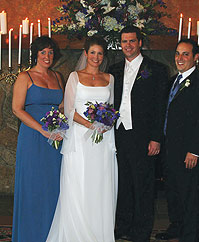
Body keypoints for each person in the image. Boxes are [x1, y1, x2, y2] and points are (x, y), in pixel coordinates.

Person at [46, 36, 118, 242]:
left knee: (100, 184)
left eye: (100, 53)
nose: (96, 57)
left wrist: (105, 124)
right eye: (92, 52)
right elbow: (69, 109)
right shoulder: (74, 77)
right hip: (79, 138)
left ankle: (99, 232)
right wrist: (90, 125)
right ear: (86, 54)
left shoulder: (110, 78)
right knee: (79, 182)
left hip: (103, 140)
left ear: (104, 56)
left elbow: (111, 108)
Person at [110, 26, 169, 242]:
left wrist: (156, 138)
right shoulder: (114, 69)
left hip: (144, 138)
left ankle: (142, 230)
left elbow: (161, 107)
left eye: (132, 41)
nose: (128, 45)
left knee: (143, 186)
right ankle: (123, 224)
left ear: (140, 42)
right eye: (124, 41)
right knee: (123, 184)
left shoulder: (157, 69)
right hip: (118, 135)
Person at [156, 39, 199, 242]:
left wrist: (195, 150)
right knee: (173, 193)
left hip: (189, 152)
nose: (179, 58)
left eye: (185, 54)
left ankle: (189, 236)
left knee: (190, 197)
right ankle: (177, 227)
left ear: (196, 57)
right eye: (177, 54)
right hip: (170, 149)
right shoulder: (172, 81)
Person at [12, 36, 64, 242]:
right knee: (34, 185)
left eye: (50, 52)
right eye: (43, 52)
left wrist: (62, 124)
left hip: (56, 139)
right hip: (34, 138)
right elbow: (17, 109)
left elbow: (61, 106)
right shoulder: (25, 77)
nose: (47, 56)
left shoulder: (58, 76)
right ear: (36, 54)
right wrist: (43, 130)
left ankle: (51, 235)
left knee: (54, 185)